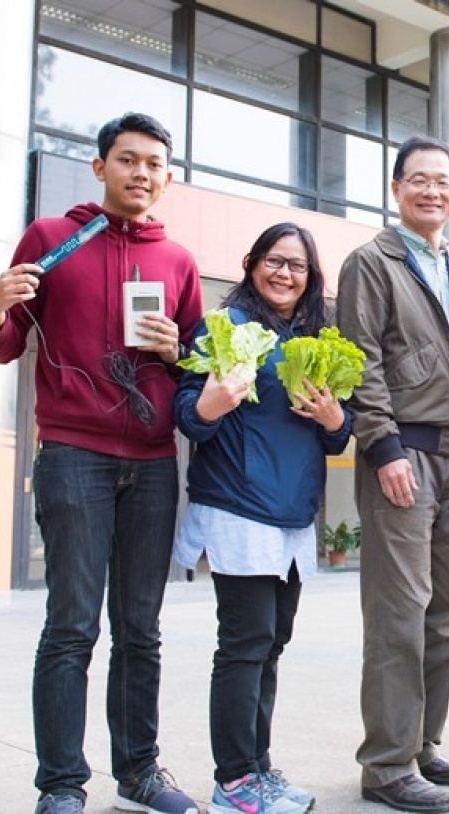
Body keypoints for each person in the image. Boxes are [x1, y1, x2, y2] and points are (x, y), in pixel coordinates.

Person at [0, 113, 203, 814]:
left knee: (142, 628)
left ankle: (139, 771)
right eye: (127, 160)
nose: (141, 173)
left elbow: (200, 366)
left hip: (155, 461)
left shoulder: (179, 261)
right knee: (72, 624)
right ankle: (62, 784)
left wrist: (174, 351)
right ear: (99, 168)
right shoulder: (52, 238)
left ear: (167, 177)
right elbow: (2, 345)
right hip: (73, 454)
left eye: (154, 163)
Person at [171, 222, 352, 814]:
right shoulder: (227, 330)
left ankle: (258, 768)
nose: (285, 273)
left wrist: (334, 420)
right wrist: (210, 402)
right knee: (244, 645)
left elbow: (337, 435)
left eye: (298, 266)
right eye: (275, 261)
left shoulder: (314, 338)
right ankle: (233, 781)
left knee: (271, 645)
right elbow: (189, 416)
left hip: (295, 512)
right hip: (239, 507)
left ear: (311, 277)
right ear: (252, 265)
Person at [336, 135, 449, 814]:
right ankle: (387, 764)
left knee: (448, 612)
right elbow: (360, 357)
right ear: (396, 190)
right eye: (417, 179)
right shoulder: (372, 261)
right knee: (400, 612)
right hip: (405, 455)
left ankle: (423, 745)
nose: (431, 191)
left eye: (442, 181)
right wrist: (383, 446)